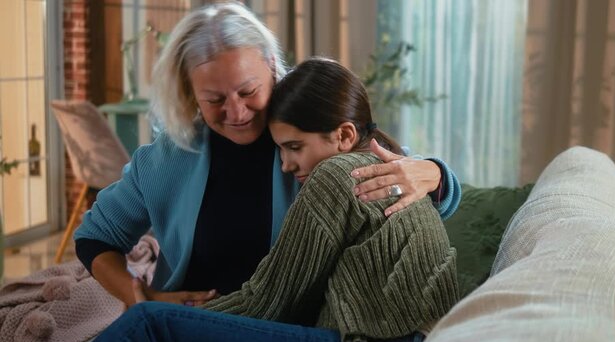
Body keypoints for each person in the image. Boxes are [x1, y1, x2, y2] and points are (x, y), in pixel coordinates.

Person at [75, 2, 460, 309]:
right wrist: (140, 297)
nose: (237, 112)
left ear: (272, 67)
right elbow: (95, 237)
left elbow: (399, 184)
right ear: (190, 93)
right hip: (191, 320)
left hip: (282, 327)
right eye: (214, 100)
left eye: (247, 92)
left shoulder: (309, 138)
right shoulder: (164, 161)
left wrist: (434, 174)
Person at [80, 57, 459, 342]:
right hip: (403, 341)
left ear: (344, 135)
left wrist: (175, 314)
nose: (285, 165)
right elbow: (96, 235)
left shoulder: (340, 177)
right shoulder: (375, 163)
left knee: (148, 326)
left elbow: (270, 300)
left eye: (294, 147)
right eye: (213, 98)